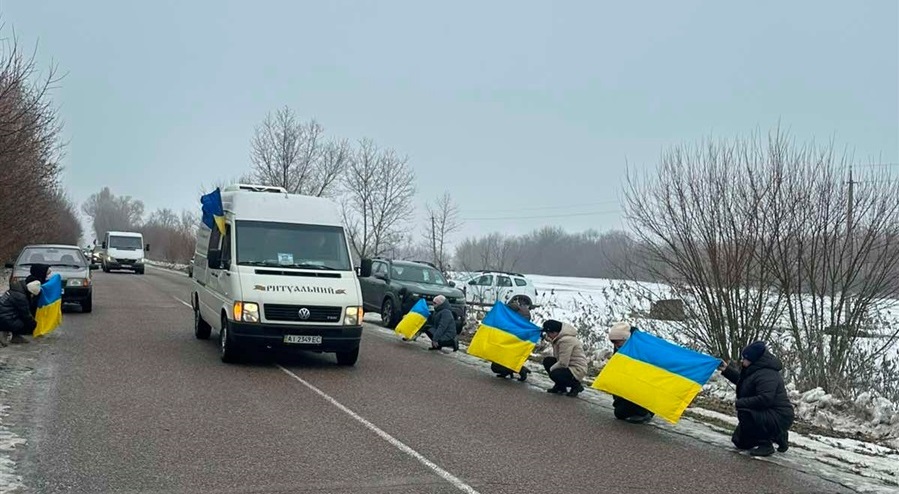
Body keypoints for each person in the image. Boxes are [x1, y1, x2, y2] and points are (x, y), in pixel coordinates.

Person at [720, 341, 795, 457]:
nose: (742, 360)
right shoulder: (756, 370)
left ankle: (766, 444)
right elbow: (745, 383)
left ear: (752, 359)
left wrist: (739, 403)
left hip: (779, 415)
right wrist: (726, 370)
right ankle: (778, 436)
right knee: (740, 442)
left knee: (744, 412)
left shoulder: (767, 374)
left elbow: (765, 399)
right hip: (766, 413)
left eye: (744, 358)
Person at [607, 322, 655, 424]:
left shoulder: (640, 346)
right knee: (619, 413)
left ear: (625, 339)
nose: (615, 345)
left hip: (640, 385)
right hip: (627, 385)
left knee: (621, 412)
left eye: (617, 342)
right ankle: (641, 410)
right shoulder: (621, 346)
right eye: (614, 343)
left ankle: (644, 412)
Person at [541, 319, 588, 397]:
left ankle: (576, 386)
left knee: (555, 373)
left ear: (554, 332)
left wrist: (551, 370)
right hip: (569, 365)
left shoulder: (566, 341)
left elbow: (563, 363)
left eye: (548, 333)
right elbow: (551, 339)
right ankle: (560, 387)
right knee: (548, 361)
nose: (548, 335)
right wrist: (542, 336)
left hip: (576, 369)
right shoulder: (561, 337)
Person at [491, 299, 533, 381]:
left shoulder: (517, 315)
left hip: (516, 339)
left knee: (499, 364)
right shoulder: (522, 312)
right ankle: (509, 371)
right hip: (518, 338)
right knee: (502, 360)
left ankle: (520, 370)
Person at [0, 279, 42, 345]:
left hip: (3, 315)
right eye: (32, 294)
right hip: (4, 318)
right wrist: (34, 325)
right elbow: (26, 315)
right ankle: (5, 333)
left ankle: (12, 335)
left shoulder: (16, 290)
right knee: (25, 324)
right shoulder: (21, 297)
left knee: (17, 319)